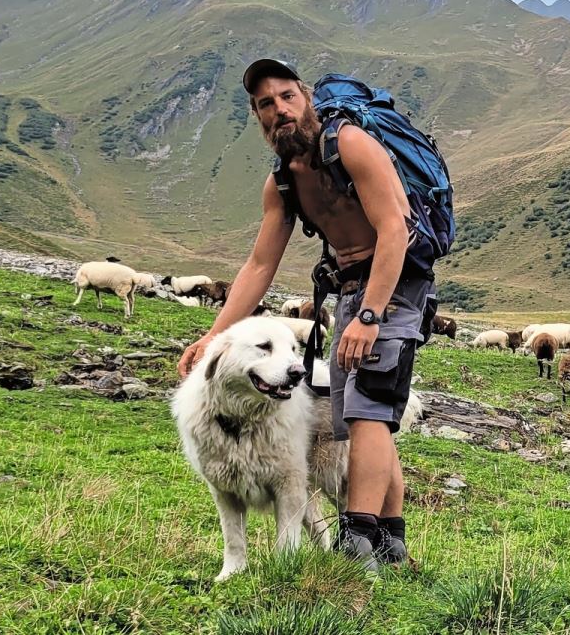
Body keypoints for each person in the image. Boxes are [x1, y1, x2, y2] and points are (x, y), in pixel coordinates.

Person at [177, 59, 434, 570]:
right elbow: (259, 264)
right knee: (361, 414)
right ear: (257, 117)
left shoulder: (353, 144)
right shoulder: (283, 184)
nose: (280, 110)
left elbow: (395, 230)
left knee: (367, 407)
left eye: (287, 96)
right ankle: (394, 541)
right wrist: (214, 336)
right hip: (349, 290)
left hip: (396, 280)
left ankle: (359, 544)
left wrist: (369, 317)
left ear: (307, 96)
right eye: (266, 104)